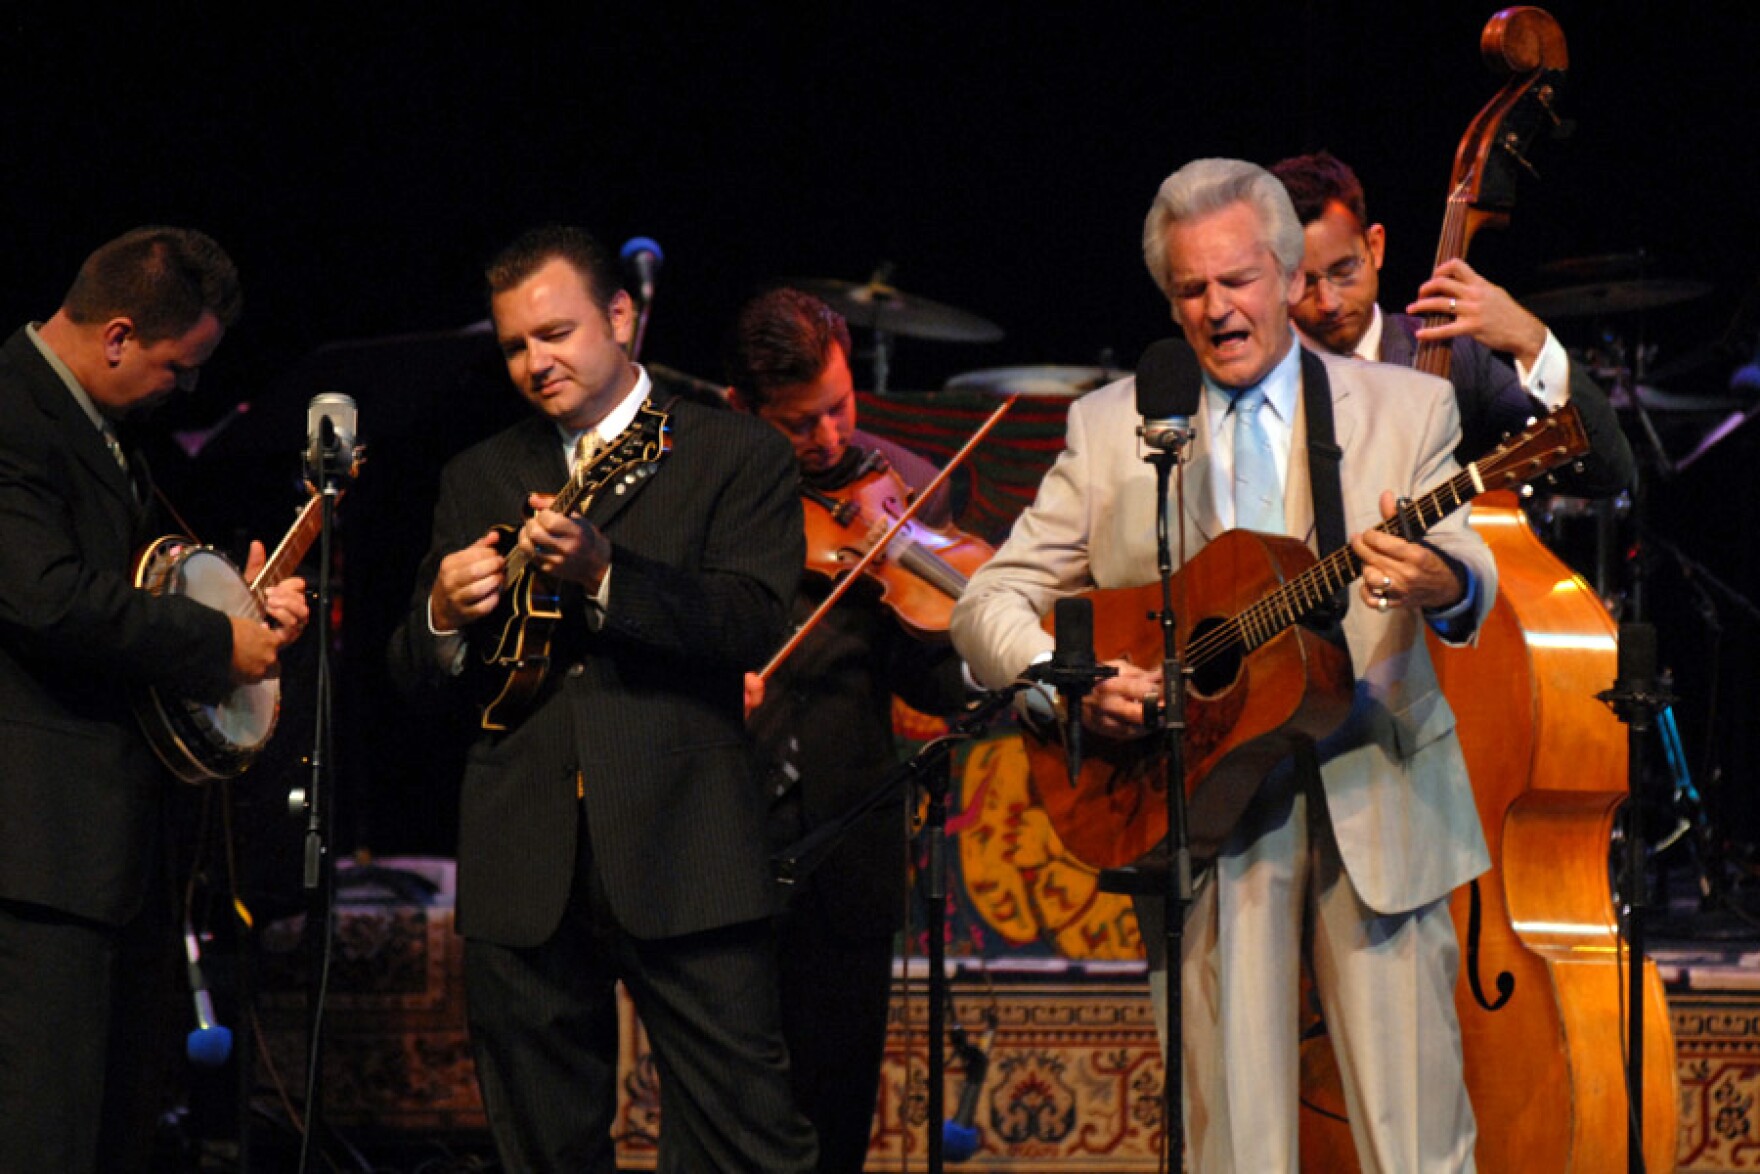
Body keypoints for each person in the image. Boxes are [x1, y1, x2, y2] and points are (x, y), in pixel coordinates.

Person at [950, 158, 1496, 1171]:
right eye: (1189, 290)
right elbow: (988, 601)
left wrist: (1440, 582)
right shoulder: (1110, 427)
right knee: (1229, 1147)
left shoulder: (1402, 409)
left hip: (1372, 785)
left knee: (1415, 1141)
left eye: (1236, 281)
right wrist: (1064, 678)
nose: (1216, 310)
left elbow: (1468, 568)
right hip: (1197, 801)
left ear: (1289, 277)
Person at [387, 226, 818, 1172]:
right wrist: (441, 617)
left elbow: (749, 620)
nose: (535, 362)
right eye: (513, 346)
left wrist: (608, 573)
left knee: (746, 1140)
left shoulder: (734, 452)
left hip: (686, 846)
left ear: (621, 317)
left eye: (556, 332)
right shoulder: (480, 474)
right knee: (542, 1146)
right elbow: (411, 677)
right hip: (521, 852)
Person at [0, 226, 309, 1172]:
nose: (187, 390)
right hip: (37, 849)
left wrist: (243, 608)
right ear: (121, 334)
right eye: (182, 367)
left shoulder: (101, 428)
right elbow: (47, 596)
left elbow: (134, 589)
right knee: (42, 1126)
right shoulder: (11, 412)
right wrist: (221, 641)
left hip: (105, 849)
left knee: (112, 1123)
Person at [725, 287, 972, 1173]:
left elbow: (931, 677)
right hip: (724, 851)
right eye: (800, 425)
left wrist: (978, 636)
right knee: (731, 1125)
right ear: (741, 412)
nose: (831, 441)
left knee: (835, 1127)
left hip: (849, 853)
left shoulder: (899, 490)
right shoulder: (704, 506)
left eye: (840, 409)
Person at [1270, 149, 1635, 495]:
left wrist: (1531, 340)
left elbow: (1607, 473)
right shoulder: (1253, 384)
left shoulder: (1459, 362)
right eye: (1303, 282)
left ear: (1375, 246)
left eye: (1344, 270)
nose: (1328, 302)